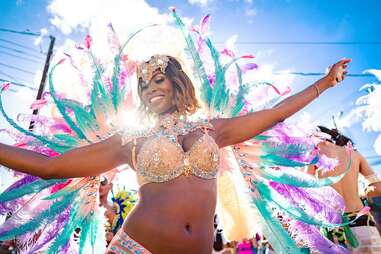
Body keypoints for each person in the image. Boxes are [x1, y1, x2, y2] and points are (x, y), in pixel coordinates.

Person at [0, 11, 350, 254]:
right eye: (144, 84)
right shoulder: (130, 140)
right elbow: (50, 167)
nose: (151, 88)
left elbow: (274, 113)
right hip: (136, 247)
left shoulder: (214, 130)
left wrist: (325, 83)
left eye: (158, 79)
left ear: (176, 81)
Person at [311, 126, 381, 253]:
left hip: (333, 226)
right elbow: (377, 188)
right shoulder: (354, 154)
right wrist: (356, 193)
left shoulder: (312, 155)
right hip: (362, 221)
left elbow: (305, 189)